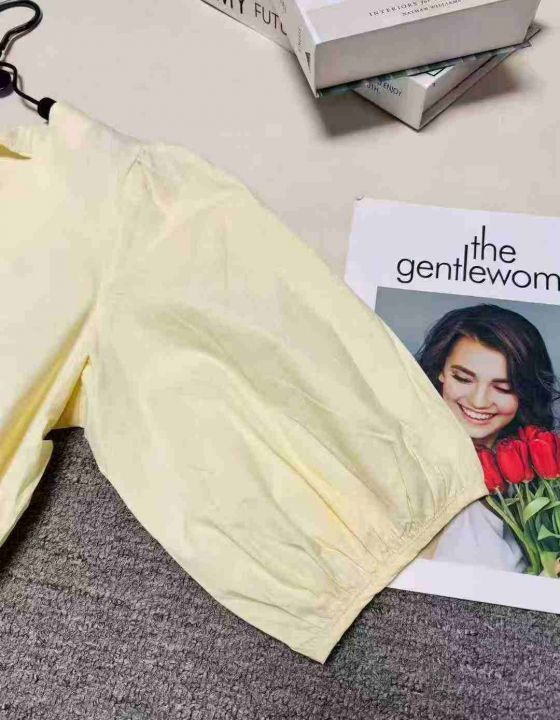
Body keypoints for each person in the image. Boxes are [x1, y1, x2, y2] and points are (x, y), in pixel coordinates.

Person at [415, 304, 558, 572]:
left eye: (503, 388)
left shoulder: (535, 487)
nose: (479, 401)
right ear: (440, 371)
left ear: (524, 393)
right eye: (463, 378)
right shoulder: (408, 467)